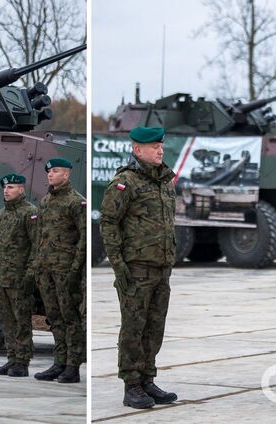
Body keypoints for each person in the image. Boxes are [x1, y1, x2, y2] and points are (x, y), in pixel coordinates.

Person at [100, 126, 177, 409]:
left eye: (161, 146)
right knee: (133, 327)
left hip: (161, 268)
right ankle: (131, 384)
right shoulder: (125, 183)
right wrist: (119, 267)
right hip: (136, 270)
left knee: (154, 328)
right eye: (154, 146)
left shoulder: (165, 182)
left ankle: (147, 378)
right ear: (137, 150)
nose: (160, 150)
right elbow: (108, 223)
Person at [34, 157, 86, 384]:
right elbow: (40, 236)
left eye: (55, 171)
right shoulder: (45, 202)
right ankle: (59, 361)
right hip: (46, 269)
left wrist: (76, 268)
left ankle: (73, 366)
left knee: (70, 318)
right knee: (54, 317)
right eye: (49, 171)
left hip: (66, 270)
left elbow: (84, 237)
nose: (50, 174)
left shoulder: (76, 202)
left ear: (66, 175)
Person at [0, 174, 38, 377]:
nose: (6, 190)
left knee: (22, 321)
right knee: (7, 320)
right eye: (5, 187)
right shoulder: (2, 214)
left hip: (20, 279)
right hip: (2, 277)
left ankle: (22, 361)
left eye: (11, 187)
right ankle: (11, 358)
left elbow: (36, 247)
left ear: (21, 189)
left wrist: (29, 276)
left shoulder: (30, 213)